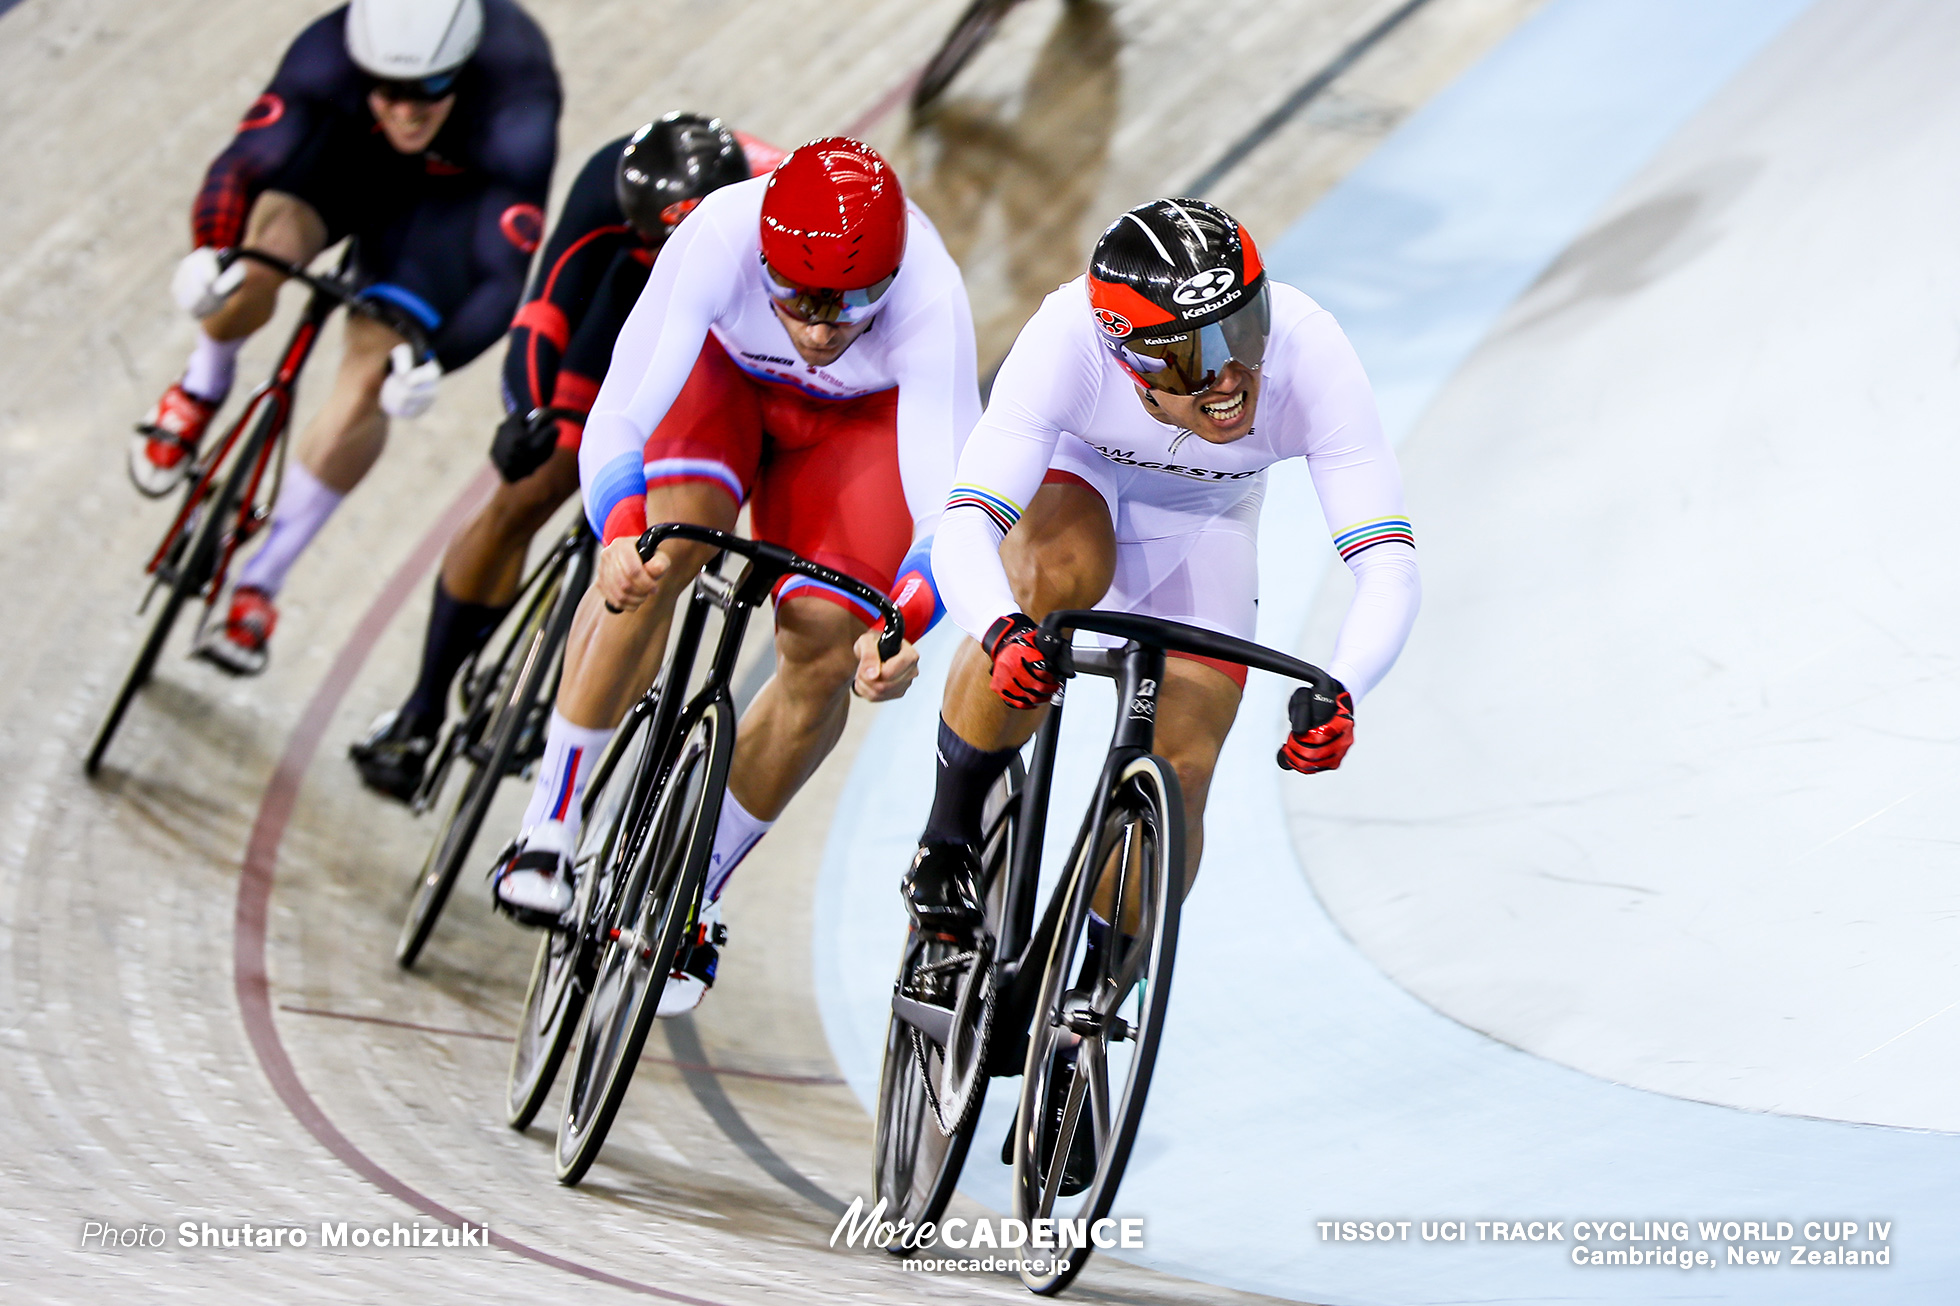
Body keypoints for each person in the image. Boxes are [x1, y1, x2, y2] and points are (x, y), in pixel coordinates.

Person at [487, 136, 980, 1018]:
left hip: (854, 428)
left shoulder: (931, 293)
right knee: (663, 552)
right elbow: (622, 413)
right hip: (725, 384)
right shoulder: (720, 232)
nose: (825, 329)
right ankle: (548, 826)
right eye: (801, 301)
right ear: (766, 262)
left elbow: (956, 510)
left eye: (855, 304)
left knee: (828, 645)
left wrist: (904, 620)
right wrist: (620, 524)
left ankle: (691, 889)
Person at [904, 196, 1420, 924]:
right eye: (1189, 359)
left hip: (1207, 520)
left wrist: (1345, 685)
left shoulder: (1312, 352)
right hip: (1082, 475)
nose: (1230, 377)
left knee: (1181, 773)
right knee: (1057, 570)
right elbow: (966, 526)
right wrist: (1001, 629)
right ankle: (948, 835)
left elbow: (1388, 561)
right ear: (1128, 361)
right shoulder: (1066, 340)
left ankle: (1088, 987)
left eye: (1242, 331)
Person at [349, 114, 783, 800]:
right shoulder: (609, 185)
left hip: (724, 338)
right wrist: (528, 411)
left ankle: (573, 721)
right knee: (529, 488)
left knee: (661, 547)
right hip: (619, 299)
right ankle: (421, 710)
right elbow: (544, 310)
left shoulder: (773, 216)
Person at [129, 0, 560, 675]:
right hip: (341, 160)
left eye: (432, 90)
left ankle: (261, 583)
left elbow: (504, 275)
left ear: (464, 68)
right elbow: (244, 162)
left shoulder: (517, 90)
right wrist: (209, 250)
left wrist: (432, 361)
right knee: (256, 258)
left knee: (373, 373)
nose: (411, 111)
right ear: (364, 66)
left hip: (439, 210)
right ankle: (201, 384)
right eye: (392, 90)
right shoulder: (327, 54)